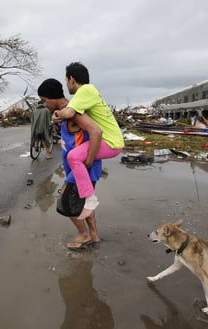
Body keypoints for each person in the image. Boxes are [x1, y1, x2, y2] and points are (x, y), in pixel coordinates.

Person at [52, 62, 124, 219]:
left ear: (71, 79)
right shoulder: (90, 92)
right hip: (111, 141)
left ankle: (90, 198)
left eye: (66, 81)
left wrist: (57, 113)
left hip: (111, 142)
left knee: (73, 157)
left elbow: (69, 112)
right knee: (76, 158)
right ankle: (88, 198)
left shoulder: (85, 90)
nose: (67, 85)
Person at [38, 78, 102, 249]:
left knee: (67, 203)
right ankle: (94, 235)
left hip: (82, 168)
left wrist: (88, 162)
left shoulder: (73, 112)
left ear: (52, 97)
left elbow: (95, 132)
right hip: (78, 168)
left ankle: (84, 234)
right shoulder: (66, 113)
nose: (44, 105)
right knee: (83, 202)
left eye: (45, 100)